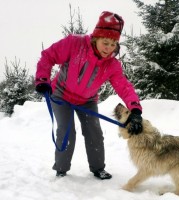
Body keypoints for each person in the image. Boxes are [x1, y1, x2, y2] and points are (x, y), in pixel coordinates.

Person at [35, 11, 143, 180]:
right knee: (67, 131)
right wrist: (42, 79)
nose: (108, 48)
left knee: (94, 132)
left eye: (113, 44)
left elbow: (124, 86)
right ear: (95, 38)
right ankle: (61, 169)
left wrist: (135, 109)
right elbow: (48, 56)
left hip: (87, 101)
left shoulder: (112, 65)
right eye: (105, 42)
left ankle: (98, 168)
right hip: (61, 95)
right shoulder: (74, 43)